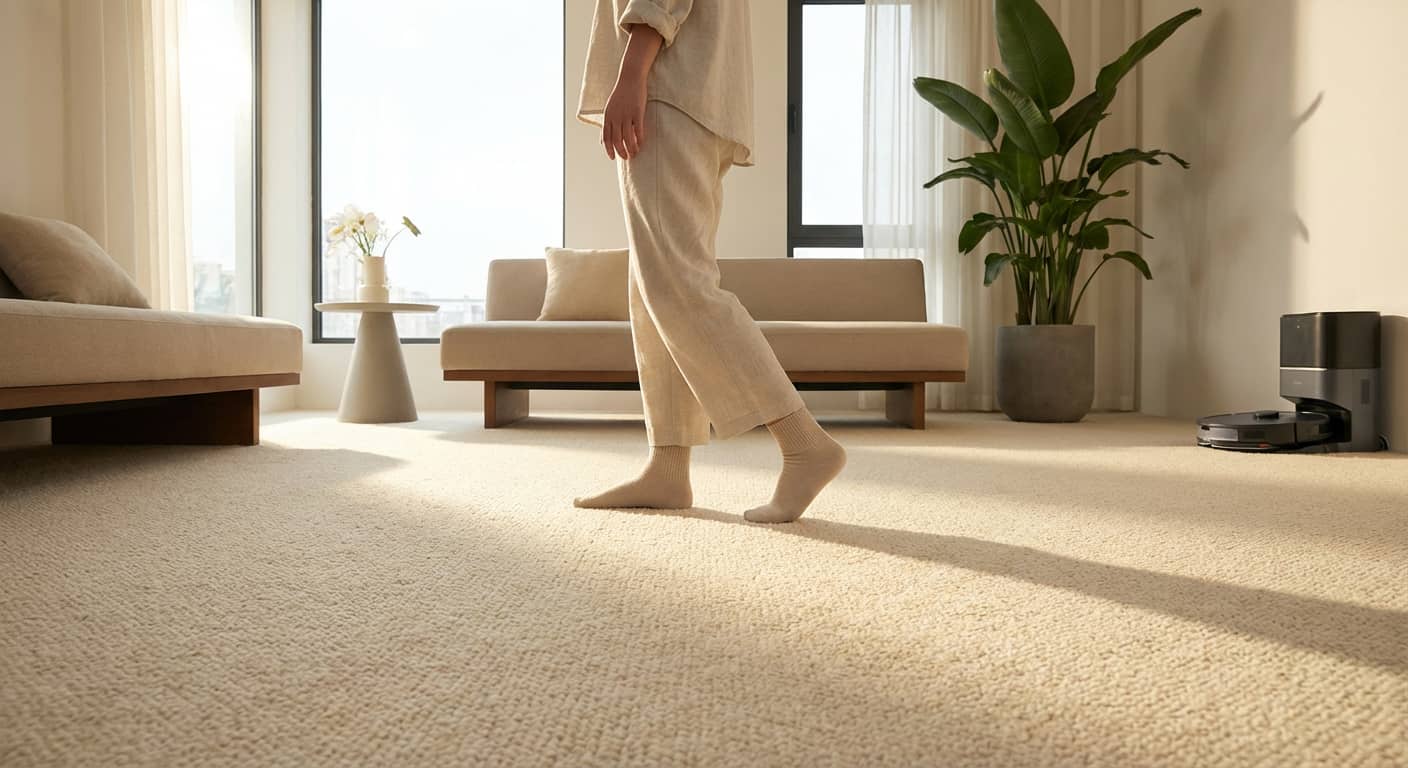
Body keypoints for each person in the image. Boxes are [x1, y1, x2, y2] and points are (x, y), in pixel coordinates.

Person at [572, 0, 845, 524]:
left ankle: (804, 442)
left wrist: (631, 75)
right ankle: (668, 467)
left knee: (677, 284)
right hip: (696, 90)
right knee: (655, 286)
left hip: (669, 88)